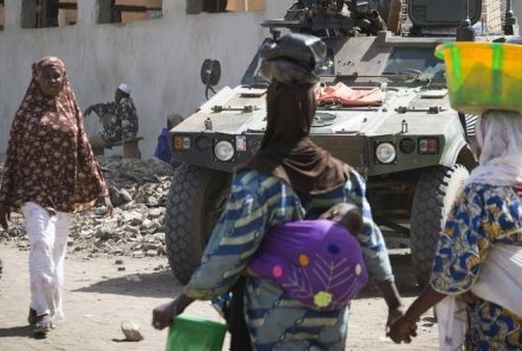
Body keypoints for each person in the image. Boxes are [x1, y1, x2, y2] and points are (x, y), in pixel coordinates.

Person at [152, 33, 410, 349]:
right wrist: (395, 304)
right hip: (329, 324)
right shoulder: (345, 177)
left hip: (269, 325)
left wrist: (177, 305)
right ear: (311, 111)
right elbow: (372, 244)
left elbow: (226, 254)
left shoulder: (258, 182)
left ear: (272, 111)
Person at [390, 110, 522, 349]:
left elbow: (454, 269)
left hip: (495, 324)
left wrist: (408, 318)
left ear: (486, 140)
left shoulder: (479, 194)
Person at [0, 56, 113, 335]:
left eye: (57, 76)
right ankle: (44, 312)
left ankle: (37, 304)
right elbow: (12, 157)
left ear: (64, 78)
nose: (53, 81)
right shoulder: (26, 113)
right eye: (47, 76)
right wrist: (3, 200)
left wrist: (102, 191)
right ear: (36, 77)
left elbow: (84, 150)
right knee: (41, 243)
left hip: (63, 191)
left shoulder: (70, 109)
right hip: (32, 190)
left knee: (56, 251)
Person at [247, 202, 368, 311]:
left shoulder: (322, 227)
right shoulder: (355, 246)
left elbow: (280, 234)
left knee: (274, 266)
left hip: (301, 290)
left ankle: (247, 269)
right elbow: (362, 277)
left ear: (332, 214)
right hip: (331, 303)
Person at [84, 82, 139, 154]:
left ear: (122, 95)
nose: (115, 95)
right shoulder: (126, 103)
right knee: (106, 112)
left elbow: (126, 125)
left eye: (117, 93)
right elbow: (108, 107)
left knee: (89, 141)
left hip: (115, 135)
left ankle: (96, 161)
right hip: (119, 134)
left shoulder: (124, 106)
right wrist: (93, 107)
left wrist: (125, 139)